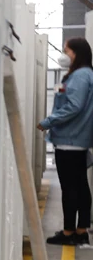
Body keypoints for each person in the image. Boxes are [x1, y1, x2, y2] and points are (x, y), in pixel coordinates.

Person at [39, 37, 93, 245]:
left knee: (70, 188)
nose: (63, 55)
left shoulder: (80, 76)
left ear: (76, 53)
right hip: (77, 139)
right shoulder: (84, 74)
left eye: (66, 51)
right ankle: (81, 231)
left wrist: (48, 122)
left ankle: (69, 232)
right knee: (80, 186)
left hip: (69, 139)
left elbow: (74, 106)